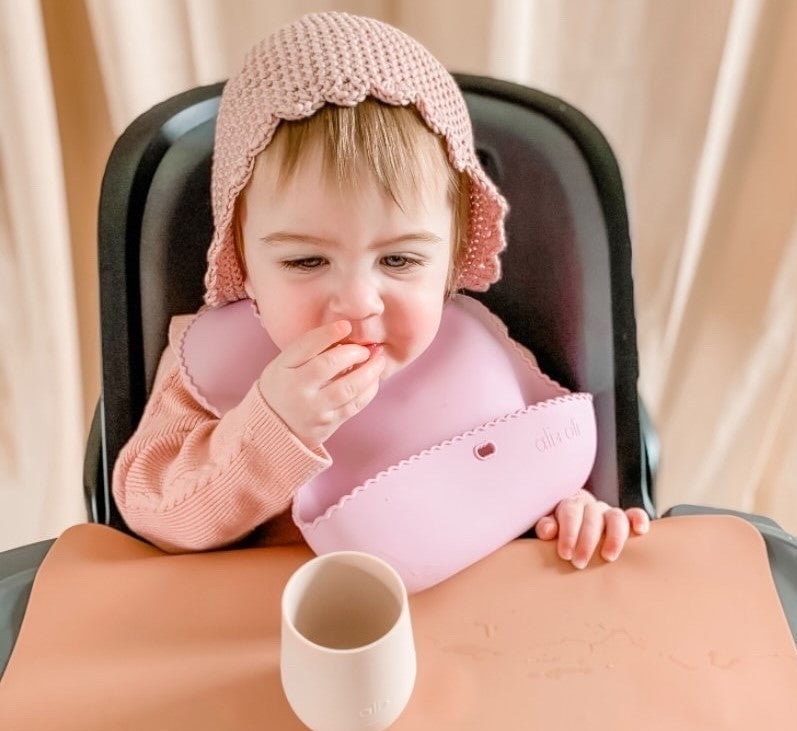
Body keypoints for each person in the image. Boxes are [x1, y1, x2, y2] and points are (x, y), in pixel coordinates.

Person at [112, 11, 648, 571]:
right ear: (241, 260)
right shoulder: (209, 363)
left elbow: (536, 469)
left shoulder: (478, 351)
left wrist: (571, 513)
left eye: (399, 260)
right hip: (281, 616)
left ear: (450, 261)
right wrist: (271, 429)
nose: (357, 302)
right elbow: (154, 515)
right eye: (305, 260)